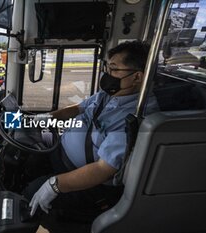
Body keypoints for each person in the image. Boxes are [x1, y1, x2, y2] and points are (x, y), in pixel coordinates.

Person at [24, 41, 160, 221]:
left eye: (113, 69)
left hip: (90, 182)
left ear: (137, 77)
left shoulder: (137, 117)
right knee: (27, 158)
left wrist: (55, 185)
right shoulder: (110, 93)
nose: (107, 74)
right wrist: (43, 118)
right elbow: (78, 108)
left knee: (29, 195)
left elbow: (104, 169)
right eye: (106, 67)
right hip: (62, 153)